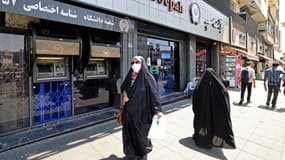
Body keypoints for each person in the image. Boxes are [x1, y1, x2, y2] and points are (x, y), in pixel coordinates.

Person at [120, 56, 162, 160]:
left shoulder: (148, 78)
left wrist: (157, 111)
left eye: (137, 62)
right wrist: (124, 94)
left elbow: (154, 95)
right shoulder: (130, 76)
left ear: (142, 63)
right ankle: (131, 155)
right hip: (128, 114)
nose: (134, 64)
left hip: (141, 115)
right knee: (129, 135)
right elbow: (123, 87)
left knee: (140, 138)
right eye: (132, 62)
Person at [192, 68, 236, 149]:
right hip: (213, 112)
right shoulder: (217, 86)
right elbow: (224, 93)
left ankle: (202, 137)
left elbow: (195, 99)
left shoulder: (200, 86)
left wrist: (197, 110)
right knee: (211, 123)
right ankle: (211, 138)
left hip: (202, 112)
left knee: (202, 123)